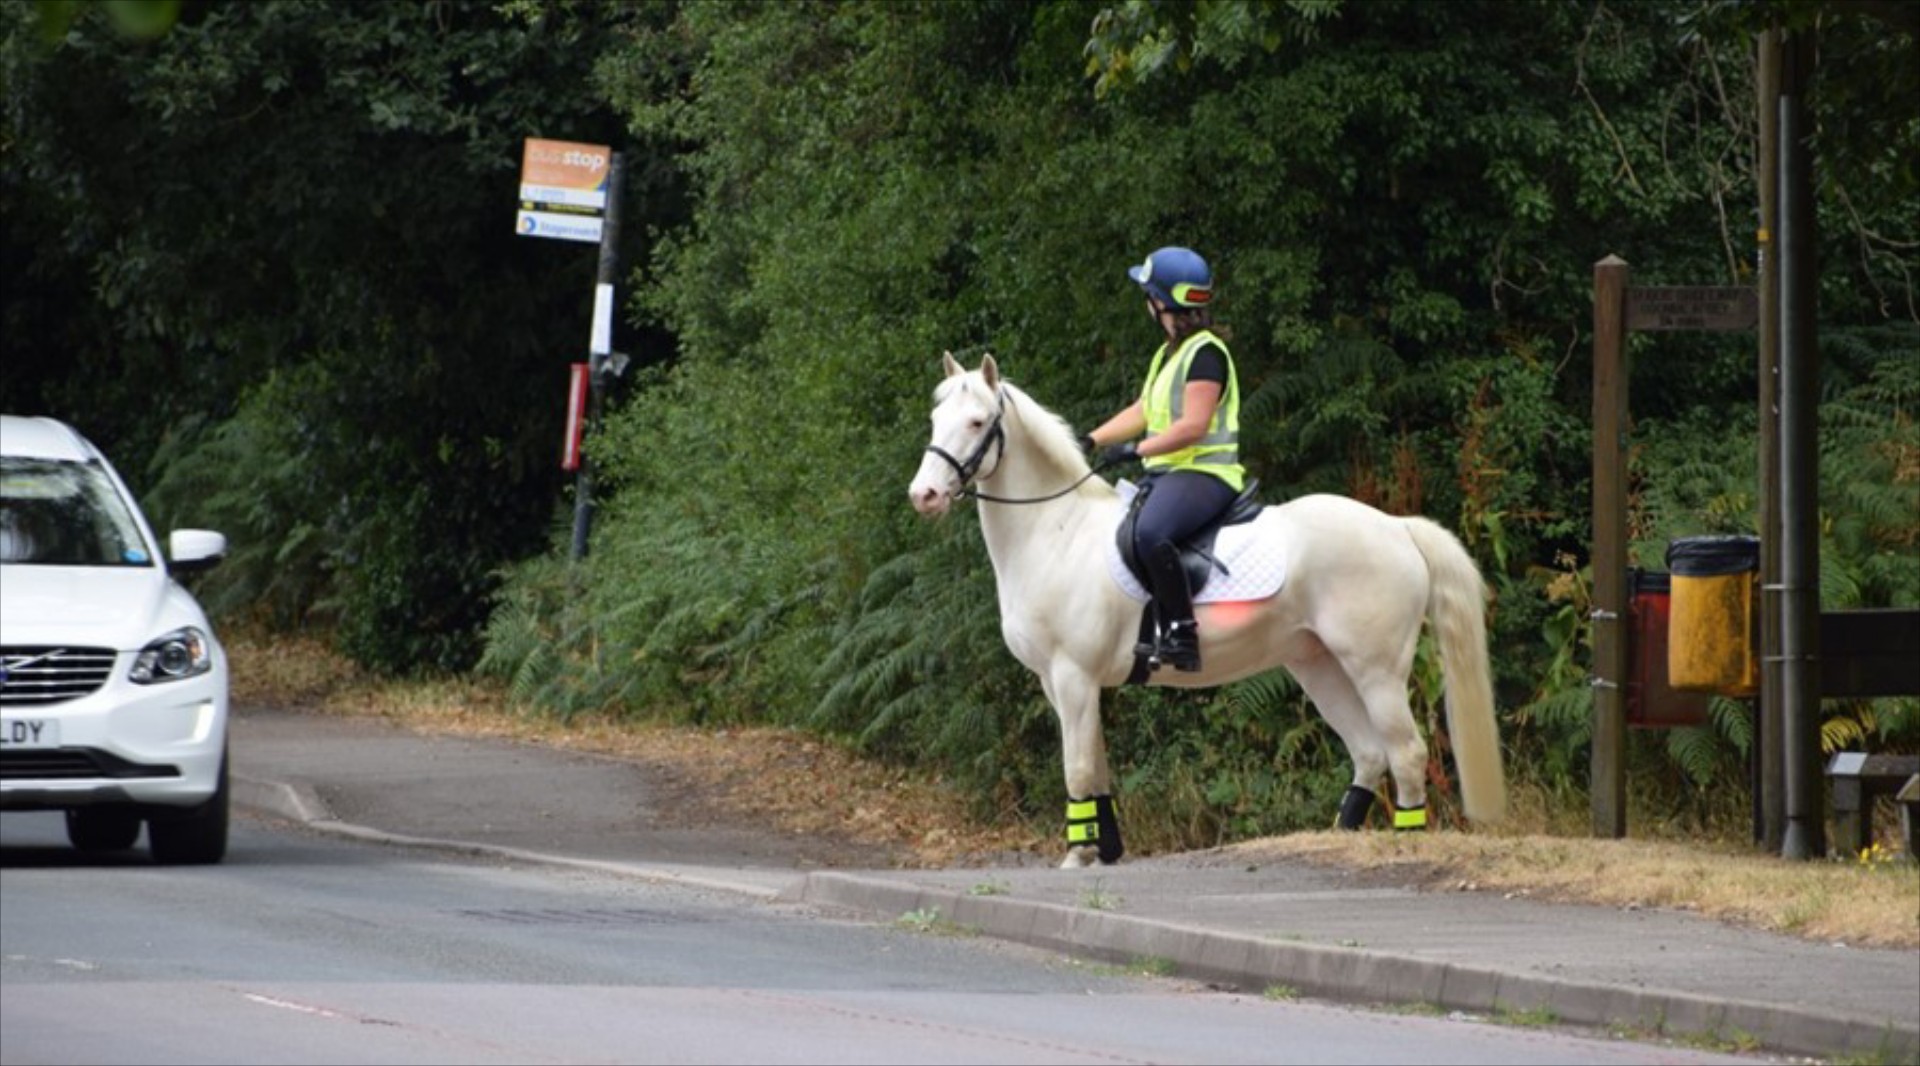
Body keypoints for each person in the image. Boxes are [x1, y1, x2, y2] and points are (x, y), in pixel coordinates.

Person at [1080, 246, 1245, 672]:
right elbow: (1141, 412)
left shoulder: (1206, 354)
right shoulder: (1168, 354)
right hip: (1170, 473)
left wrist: (1137, 450)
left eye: (1148, 296)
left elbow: (1193, 426)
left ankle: (1182, 633)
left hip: (1206, 473)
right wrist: (1091, 440)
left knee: (1151, 532)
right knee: (1128, 530)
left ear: (1161, 301)